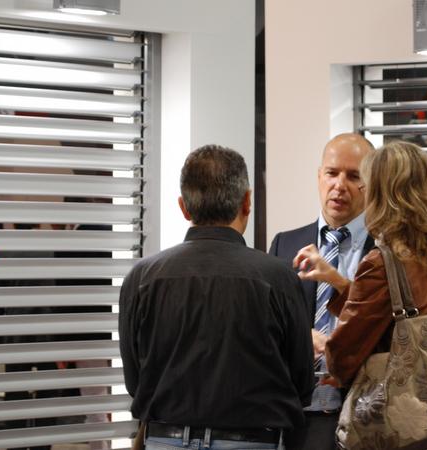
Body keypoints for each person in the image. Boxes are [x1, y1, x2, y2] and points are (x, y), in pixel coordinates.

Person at [119, 145, 315, 450]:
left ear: (184, 207)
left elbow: (135, 382)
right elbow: (302, 385)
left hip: (163, 440)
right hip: (253, 443)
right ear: (247, 202)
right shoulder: (279, 278)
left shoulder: (140, 278)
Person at [293, 141, 427, 449]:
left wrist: (323, 344)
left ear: (381, 193)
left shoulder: (382, 261)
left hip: (400, 420)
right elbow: (401, 315)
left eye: (363, 181)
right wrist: (339, 282)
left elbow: (344, 354)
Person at [268, 133, 375, 450]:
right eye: (332, 173)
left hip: (368, 410)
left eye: (353, 176)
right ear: (319, 177)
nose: (339, 185)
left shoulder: (387, 248)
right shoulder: (285, 244)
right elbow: (266, 324)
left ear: (371, 184)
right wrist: (300, 337)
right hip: (299, 411)